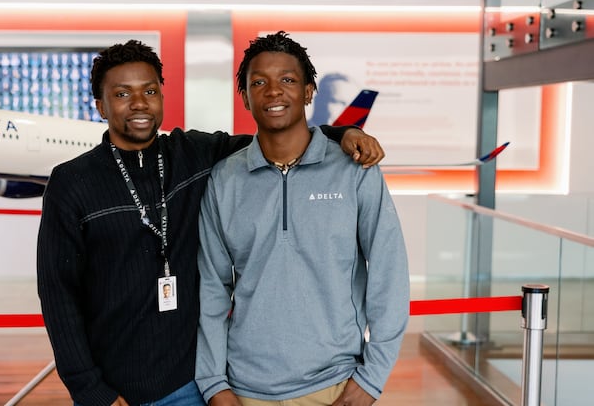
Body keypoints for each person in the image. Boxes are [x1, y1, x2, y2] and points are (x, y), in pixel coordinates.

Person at [37, 39, 385, 406]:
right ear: (100, 106)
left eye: (150, 90)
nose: (139, 103)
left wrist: (341, 133)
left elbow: (278, 134)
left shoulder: (192, 154)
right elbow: (58, 295)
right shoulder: (72, 183)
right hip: (115, 390)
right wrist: (91, 391)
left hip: (193, 385)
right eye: (122, 93)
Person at [194, 31, 409, 406]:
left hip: (335, 385)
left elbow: (389, 273)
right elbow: (211, 288)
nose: (273, 91)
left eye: (288, 80)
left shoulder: (354, 170)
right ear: (244, 97)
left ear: (309, 91)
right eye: (258, 82)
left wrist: (373, 378)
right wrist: (213, 383)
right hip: (243, 390)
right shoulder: (225, 179)